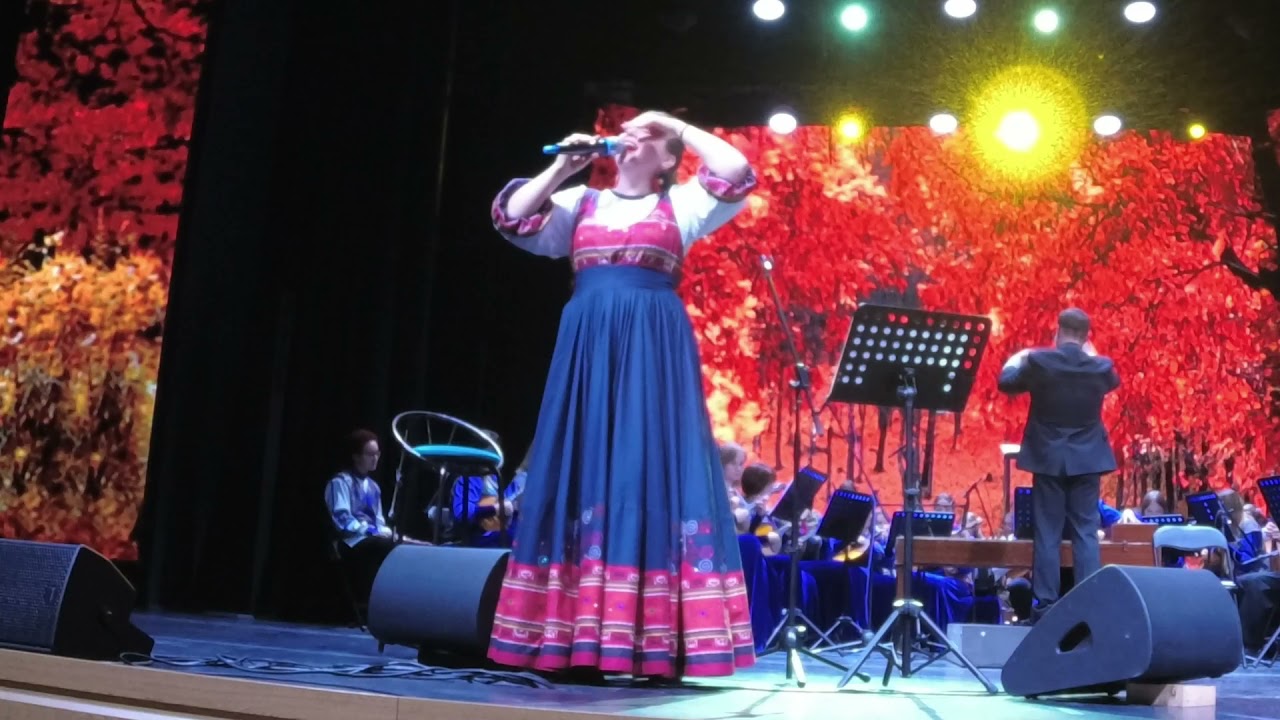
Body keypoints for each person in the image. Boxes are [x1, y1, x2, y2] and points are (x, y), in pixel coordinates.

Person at [486, 110, 756, 679]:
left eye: (648, 135)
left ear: (667, 158)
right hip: (588, 350)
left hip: (652, 351)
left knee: (646, 469)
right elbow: (512, 217)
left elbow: (735, 171)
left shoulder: (682, 205)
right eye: (628, 130)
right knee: (579, 465)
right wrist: (563, 167)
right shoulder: (579, 202)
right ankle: (573, 637)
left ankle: (652, 641)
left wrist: (673, 123)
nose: (633, 135)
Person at [997, 308, 1120, 622]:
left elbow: (1006, 383)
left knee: (1048, 533)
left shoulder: (1039, 362)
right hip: (1088, 459)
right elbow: (1111, 380)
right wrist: (1089, 354)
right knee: (1086, 532)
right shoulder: (1101, 367)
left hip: (1048, 458)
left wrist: (1019, 357)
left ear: (1058, 331)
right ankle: (1089, 604)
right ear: (1086, 336)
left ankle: (1046, 606)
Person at [324, 429, 396, 603]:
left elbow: (378, 519)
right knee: (382, 545)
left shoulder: (374, 487)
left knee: (398, 544)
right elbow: (342, 520)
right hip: (349, 540)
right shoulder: (340, 482)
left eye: (377, 454)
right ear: (356, 456)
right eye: (370, 454)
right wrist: (369, 530)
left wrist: (384, 530)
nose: (375, 458)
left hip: (370, 537)